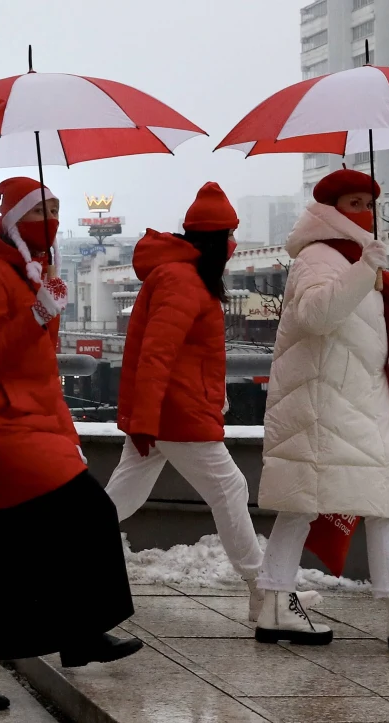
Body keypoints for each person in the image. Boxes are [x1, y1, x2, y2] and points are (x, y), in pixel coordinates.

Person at [0, 178, 142, 713]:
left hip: (20, 425)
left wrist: (62, 432)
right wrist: (36, 316)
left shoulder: (27, 277)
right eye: (39, 210)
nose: (50, 218)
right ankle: (82, 634)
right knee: (89, 513)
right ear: (13, 222)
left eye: (55, 208)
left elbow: (37, 370)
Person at [253, 169, 389, 651]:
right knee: (352, 497)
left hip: (349, 400)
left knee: (325, 500)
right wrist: (364, 270)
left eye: (370, 203)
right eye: (354, 203)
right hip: (326, 402)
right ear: (331, 210)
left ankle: (279, 603)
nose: (365, 212)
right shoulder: (319, 257)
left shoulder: (349, 257)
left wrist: (367, 269)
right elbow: (316, 316)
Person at [106, 182, 320, 621]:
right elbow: (157, 354)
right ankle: (263, 590)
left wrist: (148, 418)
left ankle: (44, 562)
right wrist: (146, 420)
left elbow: (175, 353)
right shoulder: (183, 281)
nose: (233, 243)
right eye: (230, 235)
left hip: (166, 412)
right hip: (175, 414)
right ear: (214, 239)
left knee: (119, 500)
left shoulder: (179, 276)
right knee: (230, 488)